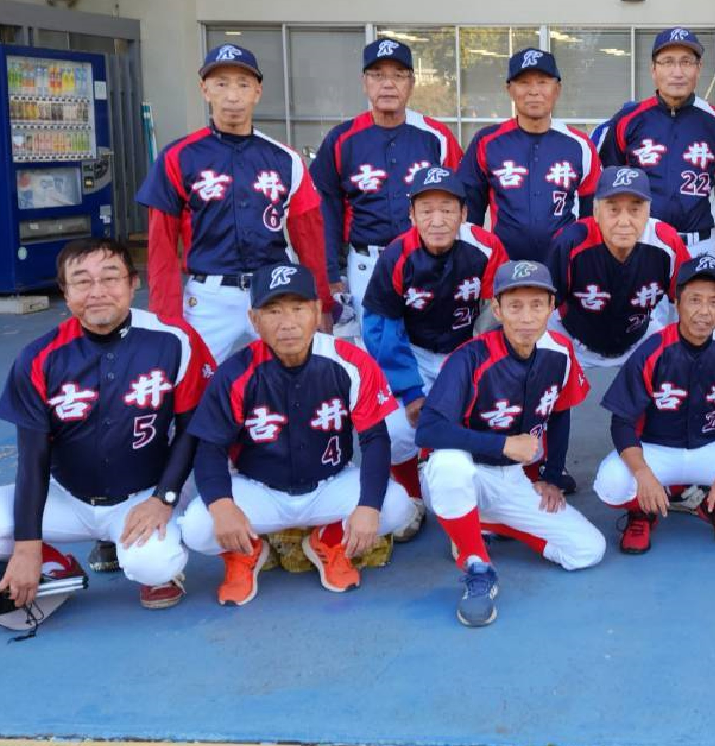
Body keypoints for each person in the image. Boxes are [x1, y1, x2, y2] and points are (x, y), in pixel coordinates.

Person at [0, 238, 211, 613]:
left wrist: (163, 498)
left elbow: (192, 427)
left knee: (153, 563)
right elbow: (32, 458)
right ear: (65, 292)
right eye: (82, 281)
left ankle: (154, 565)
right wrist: (27, 546)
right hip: (67, 496)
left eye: (110, 277)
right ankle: (57, 566)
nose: (97, 292)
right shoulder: (39, 357)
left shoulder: (175, 339)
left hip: (143, 494)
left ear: (133, 283)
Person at [177, 263, 414, 606]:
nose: (287, 323)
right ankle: (245, 551)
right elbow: (210, 448)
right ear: (253, 319)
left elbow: (375, 439)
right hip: (258, 490)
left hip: (330, 484)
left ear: (317, 311)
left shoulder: (349, 361)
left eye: (298, 308)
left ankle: (329, 540)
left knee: (396, 507)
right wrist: (223, 505)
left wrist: (367, 506)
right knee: (197, 527)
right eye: (273, 311)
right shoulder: (235, 372)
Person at [417, 261, 606, 627]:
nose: (526, 317)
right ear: (498, 309)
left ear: (551, 308)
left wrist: (551, 476)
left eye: (536, 305)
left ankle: (481, 522)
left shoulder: (560, 351)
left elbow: (560, 412)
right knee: (449, 464)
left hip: (511, 478)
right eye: (515, 306)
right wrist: (503, 445)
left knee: (587, 551)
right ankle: (476, 563)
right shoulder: (470, 357)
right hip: (461, 474)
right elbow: (429, 430)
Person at [136, 44, 328, 363]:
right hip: (209, 295)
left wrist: (320, 301)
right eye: (221, 83)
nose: (232, 96)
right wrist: (166, 315)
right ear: (205, 89)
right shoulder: (178, 156)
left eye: (243, 84)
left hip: (273, 290)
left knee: (291, 374)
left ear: (257, 92)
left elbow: (310, 237)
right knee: (193, 377)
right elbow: (161, 247)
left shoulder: (285, 158)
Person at [594, 256, 715, 553]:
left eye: (714, 302)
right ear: (677, 302)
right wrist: (643, 474)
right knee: (612, 483)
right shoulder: (653, 349)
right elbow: (622, 422)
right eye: (695, 300)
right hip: (655, 450)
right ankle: (642, 512)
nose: (704, 311)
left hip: (710, 446)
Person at [360, 166, 506, 533]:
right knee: (394, 427)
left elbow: (496, 314)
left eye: (447, 209)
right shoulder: (397, 255)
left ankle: (483, 498)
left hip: (467, 351)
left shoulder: (486, 247)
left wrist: (474, 370)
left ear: (464, 213)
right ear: (411, 215)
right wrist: (409, 390)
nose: (437, 220)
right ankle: (412, 497)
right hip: (414, 353)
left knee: (483, 420)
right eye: (426, 210)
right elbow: (381, 327)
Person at [310, 38, 461, 342]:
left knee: (428, 346)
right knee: (373, 347)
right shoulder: (342, 138)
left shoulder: (436, 136)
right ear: (364, 82)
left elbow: (459, 202)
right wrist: (329, 275)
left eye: (398, 75)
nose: (388, 84)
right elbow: (325, 209)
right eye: (378, 75)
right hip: (366, 261)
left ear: (412, 83)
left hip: (427, 259)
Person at [595, 28, 715, 262]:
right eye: (668, 62)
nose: (677, 72)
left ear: (699, 68)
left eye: (686, 62)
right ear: (653, 69)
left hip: (700, 245)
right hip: (642, 241)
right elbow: (608, 181)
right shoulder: (628, 119)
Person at [458, 48, 600, 264]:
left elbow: (593, 214)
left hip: (564, 265)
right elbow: (469, 212)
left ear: (557, 88)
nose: (534, 91)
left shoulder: (580, 145)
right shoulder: (487, 141)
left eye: (542, 82)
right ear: (509, 89)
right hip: (504, 265)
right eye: (524, 83)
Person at [544, 167, 690, 369]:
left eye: (635, 210)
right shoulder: (570, 243)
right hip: (574, 341)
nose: (624, 222)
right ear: (596, 212)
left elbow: (688, 299)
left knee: (674, 370)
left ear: (648, 212)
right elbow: (544, 303)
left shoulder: (666, 242)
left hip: (639, 339)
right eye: (613, 210)